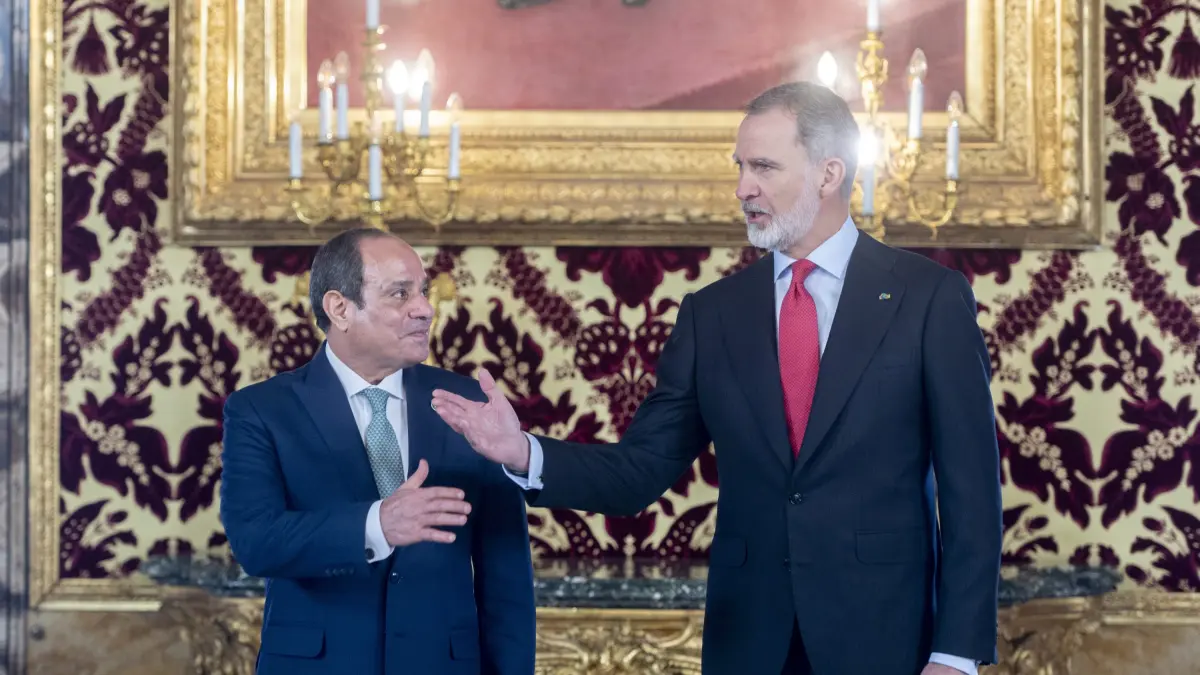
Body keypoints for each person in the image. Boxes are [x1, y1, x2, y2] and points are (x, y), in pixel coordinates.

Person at [430, 81, 1002, 675]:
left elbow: (972, 494)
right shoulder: (712, 314)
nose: (742, 188)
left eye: (764, 167)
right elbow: (640, 471)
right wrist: (522, 451)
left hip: (886, 638)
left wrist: (956, 653)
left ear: (829, 174)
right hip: (750, 640)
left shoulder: (927, 297)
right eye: (740, 167)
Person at [219, 228, 536, 675]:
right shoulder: (261, 410)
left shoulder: (468, 404)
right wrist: (376, 526)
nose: (425, 308)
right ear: (340, 308)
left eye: (423, 291)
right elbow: (256, 543)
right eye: (400, 293)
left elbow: (506, 575)